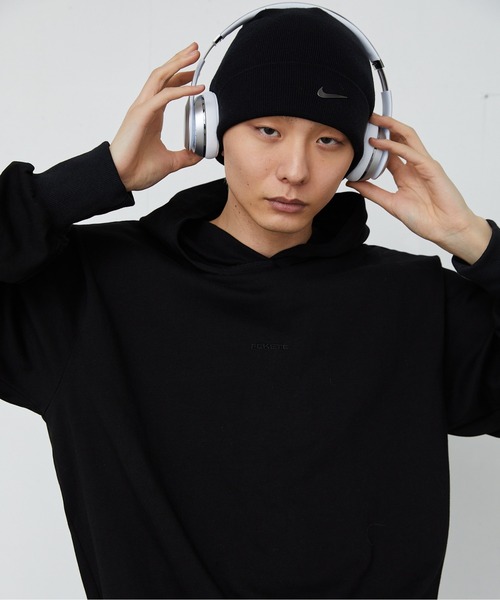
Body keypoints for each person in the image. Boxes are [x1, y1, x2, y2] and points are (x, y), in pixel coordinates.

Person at [0, 5, 499, 599]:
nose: (296, 170)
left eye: (328, 140)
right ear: (210, 129)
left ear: (362, 157)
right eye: (268, 130)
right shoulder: (89, 289)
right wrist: (97, 177)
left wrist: (473, 240)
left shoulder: (416, 303)